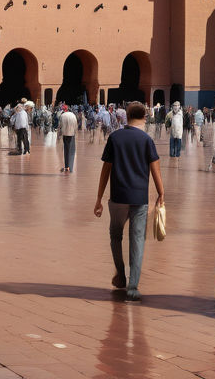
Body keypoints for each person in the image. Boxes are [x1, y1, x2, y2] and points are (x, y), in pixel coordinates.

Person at [93, 101, 164, 302]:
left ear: (127, 116)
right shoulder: (146, 140)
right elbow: (155, 169)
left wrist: (99, 198)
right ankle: (133, 287)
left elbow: (105, 170)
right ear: (144, 117)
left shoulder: (115, 138)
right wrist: (161, 193)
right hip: (139, 197)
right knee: (137, 240)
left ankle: (121, 275)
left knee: (115, 235)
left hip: (118, 197)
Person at [59, 103, 78, 173]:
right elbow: (76, 125)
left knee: (66, 150)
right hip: (72, 134)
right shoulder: (73, 115)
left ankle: (66, 166)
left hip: (65, 134)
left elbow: (60, 126)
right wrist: (74, 132)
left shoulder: (62, 116)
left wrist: (59, 135)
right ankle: (70, 166)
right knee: (71, 150)